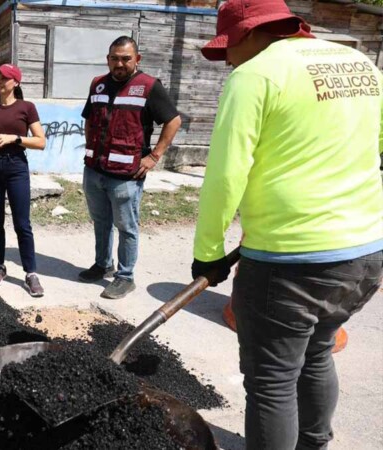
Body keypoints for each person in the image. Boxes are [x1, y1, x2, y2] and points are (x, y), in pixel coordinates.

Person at [192, 0, 383, 448]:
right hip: (365, 252)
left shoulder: (254, 76)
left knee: (272, 381)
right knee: (317, 352)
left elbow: (225, 175)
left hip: (289, 262)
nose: (228, 61)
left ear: (249, 33)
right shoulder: (360, 64)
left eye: (228, 49)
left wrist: (208, 253)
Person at [78, 36, 182, 299]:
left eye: (126, 58)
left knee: (126, 227)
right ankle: (103, 264)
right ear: (108, 59)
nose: (119, 64)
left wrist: (154, 156)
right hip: (94, 169)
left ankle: (125, 277)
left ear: (137, 59)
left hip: (126, 175)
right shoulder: (98, 84)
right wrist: (90, 146)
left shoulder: (148, 86)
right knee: (101, 221)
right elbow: (89, 119)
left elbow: (173, 121)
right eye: (114, 58)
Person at [0, 64, 47, 297]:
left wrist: (14, 138)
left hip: (16, 167)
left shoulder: (26, 108)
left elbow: (40, 141)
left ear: (16, 82)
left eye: (4, 78)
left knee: (22, 223)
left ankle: (31, 273)